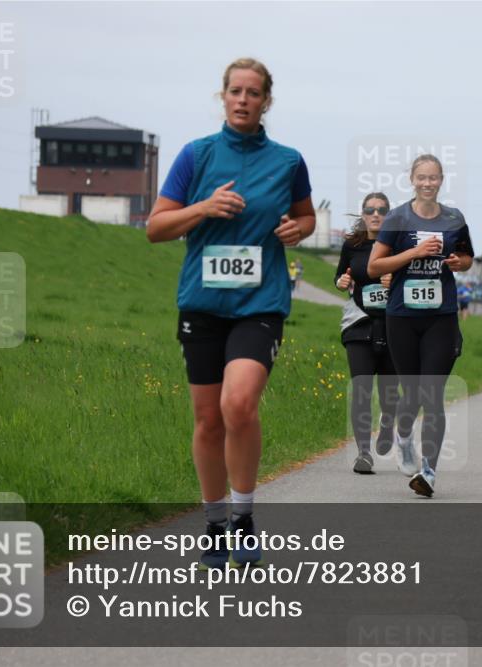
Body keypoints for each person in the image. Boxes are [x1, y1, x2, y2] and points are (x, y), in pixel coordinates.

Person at [147, 58, 315, 569]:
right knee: (207, 419)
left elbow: (305, 215)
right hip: (203, 303)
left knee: (237, 405)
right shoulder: (195, 156)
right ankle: (215, 523)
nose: (243, 100)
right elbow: (156, 227)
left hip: (259, 304)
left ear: (267, 101)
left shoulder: (288, 161)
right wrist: (203, 208)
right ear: (222, 97)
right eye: (235, 91)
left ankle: (243, 517)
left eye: (254, 92)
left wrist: (298, 231)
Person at [368, 154, 474, 498]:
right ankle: (403, 437)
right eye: (422, 178)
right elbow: (374, 266)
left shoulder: (454, 218)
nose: (428, 184)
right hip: (402, 318)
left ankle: (428, 471)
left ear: (441, 180)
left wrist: (460, 262)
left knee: (433, 395)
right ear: (412, 180)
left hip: (440, 317)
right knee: (411, 393)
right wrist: (413, 254)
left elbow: (467, 258)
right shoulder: (397, 217)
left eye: (434, 178)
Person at [334, 193, 399, 473]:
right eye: (370, 210)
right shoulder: (352, 244)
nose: (376, 214)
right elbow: (339, 277)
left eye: (382, 210)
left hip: (393, 325)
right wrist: (342, 281)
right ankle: (363, 453)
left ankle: (387, 424)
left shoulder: (398, 244)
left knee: (388, 391)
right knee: (360, 389)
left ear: (389, 214)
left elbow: (411, 279)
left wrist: (395, 278)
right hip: (359, 324)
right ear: (363, 214)